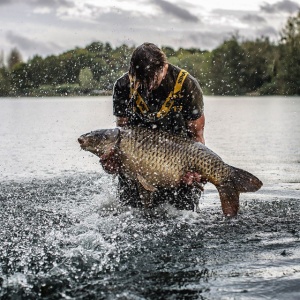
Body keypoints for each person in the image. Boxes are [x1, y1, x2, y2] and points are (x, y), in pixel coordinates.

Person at [100, 42, 206, 211]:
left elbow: (197, 136)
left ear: (164, 67)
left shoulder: (186, 84)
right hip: (138, 167)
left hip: (179, 163)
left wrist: (196, 172)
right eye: (141, 81)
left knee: (185, 218)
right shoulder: (123, 86)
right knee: (131, 216)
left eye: (152, 80)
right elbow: (122, 135)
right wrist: (113, 163)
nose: (147, 87)